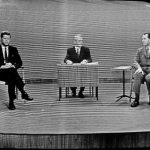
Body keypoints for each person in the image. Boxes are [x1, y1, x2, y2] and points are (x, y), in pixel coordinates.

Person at [0, 31, 33, 110]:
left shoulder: (13, 49)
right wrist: (2, 66)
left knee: (11, 74)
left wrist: (13, 65)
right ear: (1, 39)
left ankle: (12, 101)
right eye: (5, 38)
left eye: (8, 39)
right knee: (12, 74)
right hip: (0, 73)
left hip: (10, 73)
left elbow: (19, 62)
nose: (6, 40)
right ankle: (22, 93)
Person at [64, 34, 92, 98]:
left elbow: (90, 59)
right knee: (71, 77)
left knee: (84, 77)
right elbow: (65, 59)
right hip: (73, 70)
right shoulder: (69, 50)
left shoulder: (86, 49)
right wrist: (67, 61)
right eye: (78, 41)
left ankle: (81, 92)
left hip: (83, 70)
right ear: (74, 42)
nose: (80, 42)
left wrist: (86, 61)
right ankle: (73, 91)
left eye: (81, 41)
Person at [131, 33, 150, 107]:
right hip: (142, 69)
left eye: (144, 38)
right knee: (137, 75)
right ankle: (136, 99)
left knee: (149, 78)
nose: (142, 40)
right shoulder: (139, 50)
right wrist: (139, 68)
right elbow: (135, 61)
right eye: (142, 39)